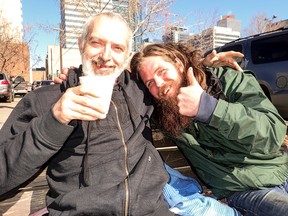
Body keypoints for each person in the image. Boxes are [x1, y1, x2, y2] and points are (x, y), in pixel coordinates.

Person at [0, 12, 242, 216]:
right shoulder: (45, 100)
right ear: (81, 43)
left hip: (155, 209)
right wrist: (53, 121)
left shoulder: (141, 91)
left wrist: (206, 65)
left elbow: (174, 80)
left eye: (117, 47)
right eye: (96, 43)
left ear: (126, 55)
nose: (106, 56)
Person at [129, 42, 288, 216]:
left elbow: (273, 133)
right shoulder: (160, 112)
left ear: (179, 64)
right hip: (247, 191)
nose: (159, 83)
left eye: (162, 71)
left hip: (280, 171)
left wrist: (210, 109)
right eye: (150, 82)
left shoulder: (227, 81)